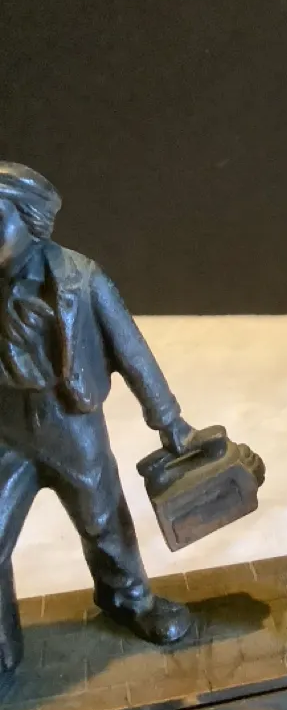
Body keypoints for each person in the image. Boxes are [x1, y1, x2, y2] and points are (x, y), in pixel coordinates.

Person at [0, 161, 197, 673]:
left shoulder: (80, 278)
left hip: (71, 423)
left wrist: (168, 419)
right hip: (4, 431)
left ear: (30, 220)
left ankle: (129, 600)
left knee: (103, 520)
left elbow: (132, 351)